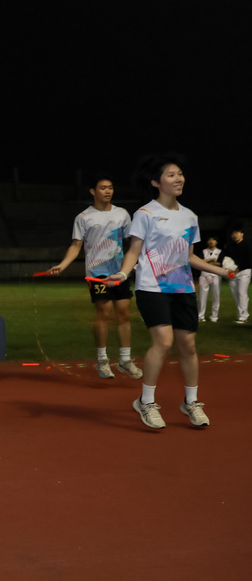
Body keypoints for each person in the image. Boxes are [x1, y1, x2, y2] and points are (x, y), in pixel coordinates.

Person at [108, 155, 231, 430]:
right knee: (163, 342)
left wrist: (219, 270)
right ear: (156, 182)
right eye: (171, 175)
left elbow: (189, 256)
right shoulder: (145, 214)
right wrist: (124, 273)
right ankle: (146, 402)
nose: (179, 179)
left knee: (188, 345)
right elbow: (134, 250)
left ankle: (191, 402)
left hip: (182, 287)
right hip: (152, 287)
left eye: (180, 174)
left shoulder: (190, 216)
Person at [46, 175, 140, 378]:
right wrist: (63, 265)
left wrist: (133, 266)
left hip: (119, 272)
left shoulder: (122, 214)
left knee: (123, 314)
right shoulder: (83, 217)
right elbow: (76, 245)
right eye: (103, 188)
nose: (108, 191)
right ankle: (102, 360)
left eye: (110, 187)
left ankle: (125, 360)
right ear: (93, 191)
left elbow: (133, 243)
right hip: (97, 273)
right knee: (104, 313)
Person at [220, 227, 248, 323]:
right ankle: (241, 314)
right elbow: (224, 258)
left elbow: (248, 260)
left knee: (242, 293)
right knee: (235, 293)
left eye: (237, 233)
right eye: (233, 233)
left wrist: (238, 269)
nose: (235, 235)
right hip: (232, 272)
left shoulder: (247, 245)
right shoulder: (229, 246)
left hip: (244, 271)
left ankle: (243, 316)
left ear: (242, 234)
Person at [196, 236, 222, 322]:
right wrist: (212, 261)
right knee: (202, 296)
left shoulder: (220, 252)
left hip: (215, 275)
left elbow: (220, 263)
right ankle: (201, 316)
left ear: (216, 242)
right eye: (210, 239)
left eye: (213, 240)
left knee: (216, 296)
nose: (211, 241)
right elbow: (199, 262)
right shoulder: (203, 251)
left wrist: (206, 263)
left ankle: (214, 316)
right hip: (204, 275)